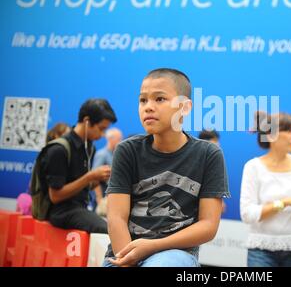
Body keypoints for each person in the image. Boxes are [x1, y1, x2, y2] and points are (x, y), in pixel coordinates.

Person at [104, 68, 230, 267]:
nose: (148, 107)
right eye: (143, 100)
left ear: (185, 107)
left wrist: (153, 246)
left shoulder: (208, 154)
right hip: (122, 254)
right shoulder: (127, 150)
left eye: (160, 99)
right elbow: (116, 217)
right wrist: (127, 260)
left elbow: (208, 225)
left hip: (175, 255)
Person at [240, 111, 291, 267]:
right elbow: (247, 214)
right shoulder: (253, 167)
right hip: (261, 252)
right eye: (288, 131)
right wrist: (286, 202)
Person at [39, 99, 117, 233]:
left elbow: (82, 185)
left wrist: (101, 178)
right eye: (101, 129)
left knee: (117, 224)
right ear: (87, 121)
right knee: (108, 230)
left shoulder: (89, 147)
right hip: (61, 212)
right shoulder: (59, 150)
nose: (103, 135)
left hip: (81, 207)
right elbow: (55, 196)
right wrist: (89, 177)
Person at [90, 127, 123, 214]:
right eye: (119, 139)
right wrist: (100, 200)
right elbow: (94, 178)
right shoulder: (102, 155)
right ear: (110, 139)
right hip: (102, 194)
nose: (121, 141)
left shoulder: (116, 155)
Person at [198, 129, 226, 214]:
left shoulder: (213, 164)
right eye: (215, 142)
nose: (218, 145)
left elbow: (221, 208)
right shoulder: (195, 163)